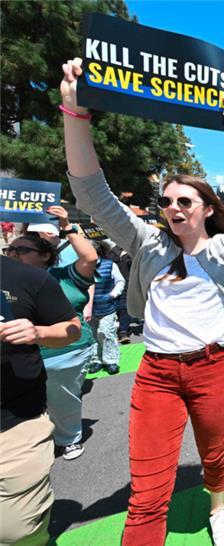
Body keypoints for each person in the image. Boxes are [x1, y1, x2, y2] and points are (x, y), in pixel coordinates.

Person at [61, 57, 224, 545]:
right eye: (167, 202)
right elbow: (92, 193)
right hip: (156, 373)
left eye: (184, 201)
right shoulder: (147, 245)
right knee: (148, 490)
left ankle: (218, 505)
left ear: (206, 209)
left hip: (217, 369)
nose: (173, 208)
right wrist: (75, 114)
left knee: (215, 455)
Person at [0, 256, 82, 546]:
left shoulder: (29, 278)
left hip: (15, 421)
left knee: (16, 531)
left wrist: (39, 333)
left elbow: (73, 328)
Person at [24, 207, 99, 461]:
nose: (14, 255)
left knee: (61, 398)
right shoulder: (9, 279)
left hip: (65, 353)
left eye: (23, 250)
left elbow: (89, 258)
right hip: (22, 353)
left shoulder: (65, 276)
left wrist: (67, 226)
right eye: (11, 250)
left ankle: (68, 438)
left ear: (46, 256)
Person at [85, 241, 126, 375]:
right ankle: (96, 360)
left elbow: (120, 281)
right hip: (88, 308)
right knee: (92, 335)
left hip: (107, 306)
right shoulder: (82, 267)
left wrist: (112, 295)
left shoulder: (109, 265)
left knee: (106, 333)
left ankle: (111, 361)